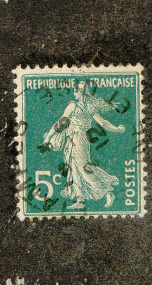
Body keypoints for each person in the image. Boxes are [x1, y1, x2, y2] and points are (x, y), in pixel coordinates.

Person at [42, 80, 125, 210]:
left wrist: (47, 137)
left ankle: (107, 192)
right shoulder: (90, 107)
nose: (74, 93)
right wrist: (117, 129)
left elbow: (60, 123)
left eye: (76, 91)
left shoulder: (73, 106)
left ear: (80, 93)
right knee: (74, 168)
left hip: (77, 140)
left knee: (82, 168)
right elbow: (103, 123)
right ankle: (80, 199)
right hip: (78, 140)